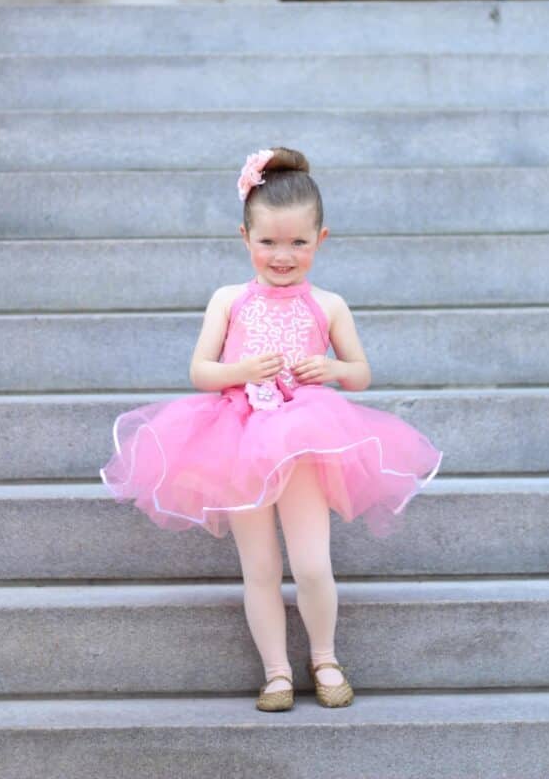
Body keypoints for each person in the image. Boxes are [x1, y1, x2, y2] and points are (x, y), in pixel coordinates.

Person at [100, 146, 443, 712]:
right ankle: (277, 672)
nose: (282, 256)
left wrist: (332, 368)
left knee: (311, 563)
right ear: (245, 237)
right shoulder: (228, 300)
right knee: (259, 567)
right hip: (235, 439)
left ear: (321, 240)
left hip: (304, 438)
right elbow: (200, 371)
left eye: (298, 243)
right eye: (268, 242)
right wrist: (240, 372)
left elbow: (360, 373)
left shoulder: (328, 305)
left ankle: (325, 657)